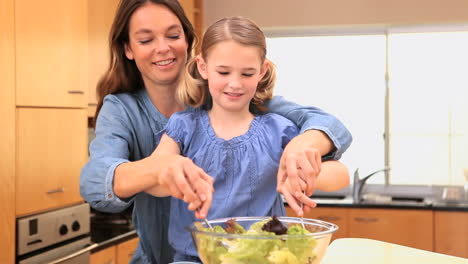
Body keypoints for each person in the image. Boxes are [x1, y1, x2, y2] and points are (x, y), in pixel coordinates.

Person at [80, 0, 352, 263]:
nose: (234, 84)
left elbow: (328, 141)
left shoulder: (269, 119)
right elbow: (100, 179)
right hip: (186, 257)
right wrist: (165, 172)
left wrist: (300, 158)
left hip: (261, 257)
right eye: (146, 39)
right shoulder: (173, 122)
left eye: (173, 35)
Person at [147, 16, 350, 262]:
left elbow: (341, 176)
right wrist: (175, 176)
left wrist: (304, 173)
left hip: (264, 258)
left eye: (247, 73)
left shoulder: (278, 130)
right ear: (203, 67)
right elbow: (154, 176)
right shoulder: (184, 126)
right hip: (195, 258)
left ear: (262, 71)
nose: (235, 83)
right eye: (223, 71)